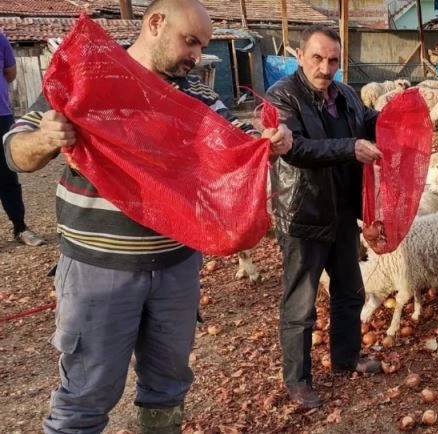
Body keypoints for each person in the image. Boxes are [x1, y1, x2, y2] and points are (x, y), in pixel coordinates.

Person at [2, 1, 292, 433]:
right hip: (99, 269)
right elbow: (14, 152)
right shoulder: (89, 79)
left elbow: (240, 142)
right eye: (190, 41)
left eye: (203, 46)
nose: (196, 55)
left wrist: (272, 140)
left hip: (176, 268)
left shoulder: (197, 96)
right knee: (85, 397)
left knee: (168, 389)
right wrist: (45, 138)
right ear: (155, 23)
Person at [266, 24, 384, 409]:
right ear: (300, 56)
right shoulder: (282, 96)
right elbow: (296, 149)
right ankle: (298, 381)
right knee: (301, 303)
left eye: (333, 60)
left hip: (343, 210)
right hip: (305, 213)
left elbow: (368, 120)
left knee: (350, 291)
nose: (325, 68)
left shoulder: (346, 94)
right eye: (317, 58)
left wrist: (397, 116)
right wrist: (351, 147)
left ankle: (346, 359)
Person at [0, 31, 46, 246]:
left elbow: (10, 73)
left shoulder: (0, 39)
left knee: (7, 175)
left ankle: (20, 228)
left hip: (1, 115)